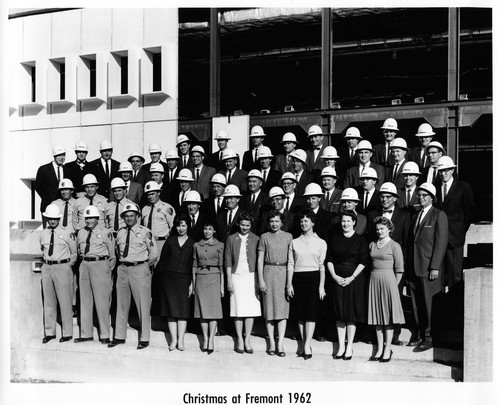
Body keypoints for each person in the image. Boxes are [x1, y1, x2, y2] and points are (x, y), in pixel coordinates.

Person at [108, 203, 157, 350]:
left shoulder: (145, 232)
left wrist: (143, 267)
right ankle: (119, 336)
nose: (129, 218)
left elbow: (154, 254)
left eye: (132, 216)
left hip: (139, 268)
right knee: (121, 303)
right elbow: (118, 251)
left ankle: (145, 338)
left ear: (137, 216)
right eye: (126, 216)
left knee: (143, 303)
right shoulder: (121, 233)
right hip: (123, 269)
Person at [406, 183, 448, 351]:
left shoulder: (439, 215)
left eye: (424, 195)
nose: (421, 198)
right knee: (417, 304)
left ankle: (429, 337)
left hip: (429, 268)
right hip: (415, 266)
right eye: (420, 195)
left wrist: (435, 267)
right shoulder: (416, 216)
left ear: (432, 197)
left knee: (429, 304)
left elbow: (441, 242)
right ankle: (420, 334)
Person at [326, 211, 368, 360]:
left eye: (348, 221)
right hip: (337, 278)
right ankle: (341, 346)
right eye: (343, 221)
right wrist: (334, 276)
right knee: (339, 313)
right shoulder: (335, 238)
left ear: (354, 222)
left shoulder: (360, 239)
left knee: (350, 314)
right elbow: (329, 259)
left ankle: (349, 346)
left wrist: (351, 278)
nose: (345, 224)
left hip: (354, 279)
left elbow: (363, 261)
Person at [286, 210, 326, 359]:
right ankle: (304, 343)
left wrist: (321, 286)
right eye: (302, 221)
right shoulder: (294, 242)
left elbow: (322, 266)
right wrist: (289, 284)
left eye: (306, 221)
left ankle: (307, 345)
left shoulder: (321, 242)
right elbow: (290, 264)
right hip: (298, 278)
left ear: (313, 223)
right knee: (301, 315)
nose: (303, 223)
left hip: (313, 278)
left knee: (310, 314)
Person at [367, 217, 405, 362]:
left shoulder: (395, 246)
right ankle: (379, 349)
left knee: (387, 318)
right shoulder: (372, 244)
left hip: (389, 281)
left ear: (389, 229)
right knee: (377, 317)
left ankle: (387, 348)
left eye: (382, 228)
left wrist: (394, 287)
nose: (379, 231)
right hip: (374, 280)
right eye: (377, 229)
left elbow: (400, 269)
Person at [75, 205, 115, 344]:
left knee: (102, 301)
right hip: (85, 265)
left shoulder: (105, 232)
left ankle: (104, 334)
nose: (89, 220)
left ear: (97, 219)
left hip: (100, 265)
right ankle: (86, 334)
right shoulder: (80, 232)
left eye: (92, 217)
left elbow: (112, 255)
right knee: (85, 300)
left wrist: (106, 270)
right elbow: (77, 250)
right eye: (87, 218)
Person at [155, 213, 195, 351]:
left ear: (188, 226)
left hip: (184, 279)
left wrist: (192, 283)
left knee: (182, 311)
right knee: (171, 311)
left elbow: (193, 265)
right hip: (169, 279)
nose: (181, 228)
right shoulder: (170, 241)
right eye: (178, 225)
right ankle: (173, 340)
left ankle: (181, 341)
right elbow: (163, 261)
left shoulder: (192, 243)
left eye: (183, 225)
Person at [39, 204, 77, 343]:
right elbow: (42, 249)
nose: (52, 221)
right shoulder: (43, 233)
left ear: (59, 219)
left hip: (62, 267)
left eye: (55, 218)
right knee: (48, 301)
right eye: (50, 218)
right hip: (47, 267)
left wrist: (67, 266)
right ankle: (50, 332)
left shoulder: (67, 233)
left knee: (65, 301)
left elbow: (74, 253)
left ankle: (67, 332)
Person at [257, 210, 293, 357]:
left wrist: (289, 282)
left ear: (282, 222)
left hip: (283, 272)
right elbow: (260, 260)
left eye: (277, 221)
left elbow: (291, 259)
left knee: (282, 310)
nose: (274, 224)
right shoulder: (264, 237)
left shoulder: (288, 237)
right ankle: (272, 342)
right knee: (270, 310)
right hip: (269, 272)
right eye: (271, 221)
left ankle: (280, 343)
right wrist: (261, 279)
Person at [435, 156, 475, 289]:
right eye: (441, 171)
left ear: (452, 170)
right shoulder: (435, 188)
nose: (444, 173)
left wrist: (460, 230)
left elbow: (469, 212)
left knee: (455, 275)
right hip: (438, 237)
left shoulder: (463, 187)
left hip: (455, 237)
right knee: (439, 274)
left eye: (446, 170)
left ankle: (454, 306)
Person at [225, 211, 261, 354]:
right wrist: (229, 280)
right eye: (242, 224)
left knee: (250, 309)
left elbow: (259, 261)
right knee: (238, 309)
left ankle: (247, 340)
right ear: (238, 224)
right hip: (236, 276)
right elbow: (227, 261)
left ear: (251, 225)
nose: (245, 227)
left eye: (248, 225)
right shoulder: (231, 239)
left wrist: (258, 281)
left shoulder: (256, 239)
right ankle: (239, 339)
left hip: (251, 276)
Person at [192, 220, 224, 354]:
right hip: (200, 278)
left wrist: (222, 286)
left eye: (210, 229)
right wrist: (193, 284)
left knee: (214, 310)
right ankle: (205, 338)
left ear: (214, 231)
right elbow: (194, 264)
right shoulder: (196, 245)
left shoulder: (220, 245)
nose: (207, 232)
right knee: (202, 311)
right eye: (205, 229)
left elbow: (222, 267)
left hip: (214, 278)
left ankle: (211, 339)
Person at [35, 144, 67, 227]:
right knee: (48, 233)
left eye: (63, 155)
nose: (61, 157)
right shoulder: (44, 169)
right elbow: (38, 186)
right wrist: (47, 198)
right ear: (54, 156)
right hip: (48, 206)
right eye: (59, 155)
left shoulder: (67, 169)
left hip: (62, 207)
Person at [141, 180, 176, 253]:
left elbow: (172, 227)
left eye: (152, 194)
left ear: (159, 193)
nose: (150, 197)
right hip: (147, 243)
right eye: (148, 194)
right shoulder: (144, 209)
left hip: (161, 242)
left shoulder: (167, 208)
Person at [240, 169, 268, 234]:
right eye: (250, 181)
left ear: (260, 183)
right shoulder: (244, 198)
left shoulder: (266, 198)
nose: (251, 184)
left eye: (254, 181)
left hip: (260, 233)